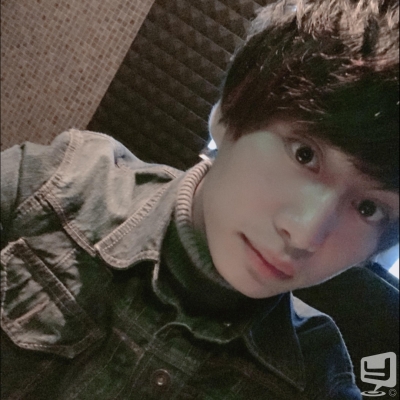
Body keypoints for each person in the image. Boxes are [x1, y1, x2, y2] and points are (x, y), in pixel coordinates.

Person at [1, 0, 398, 398]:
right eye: (305, 155)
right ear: (227, 114)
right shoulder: (54, 188)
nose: (304, 234)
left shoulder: (315, 377)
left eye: (369, 208)